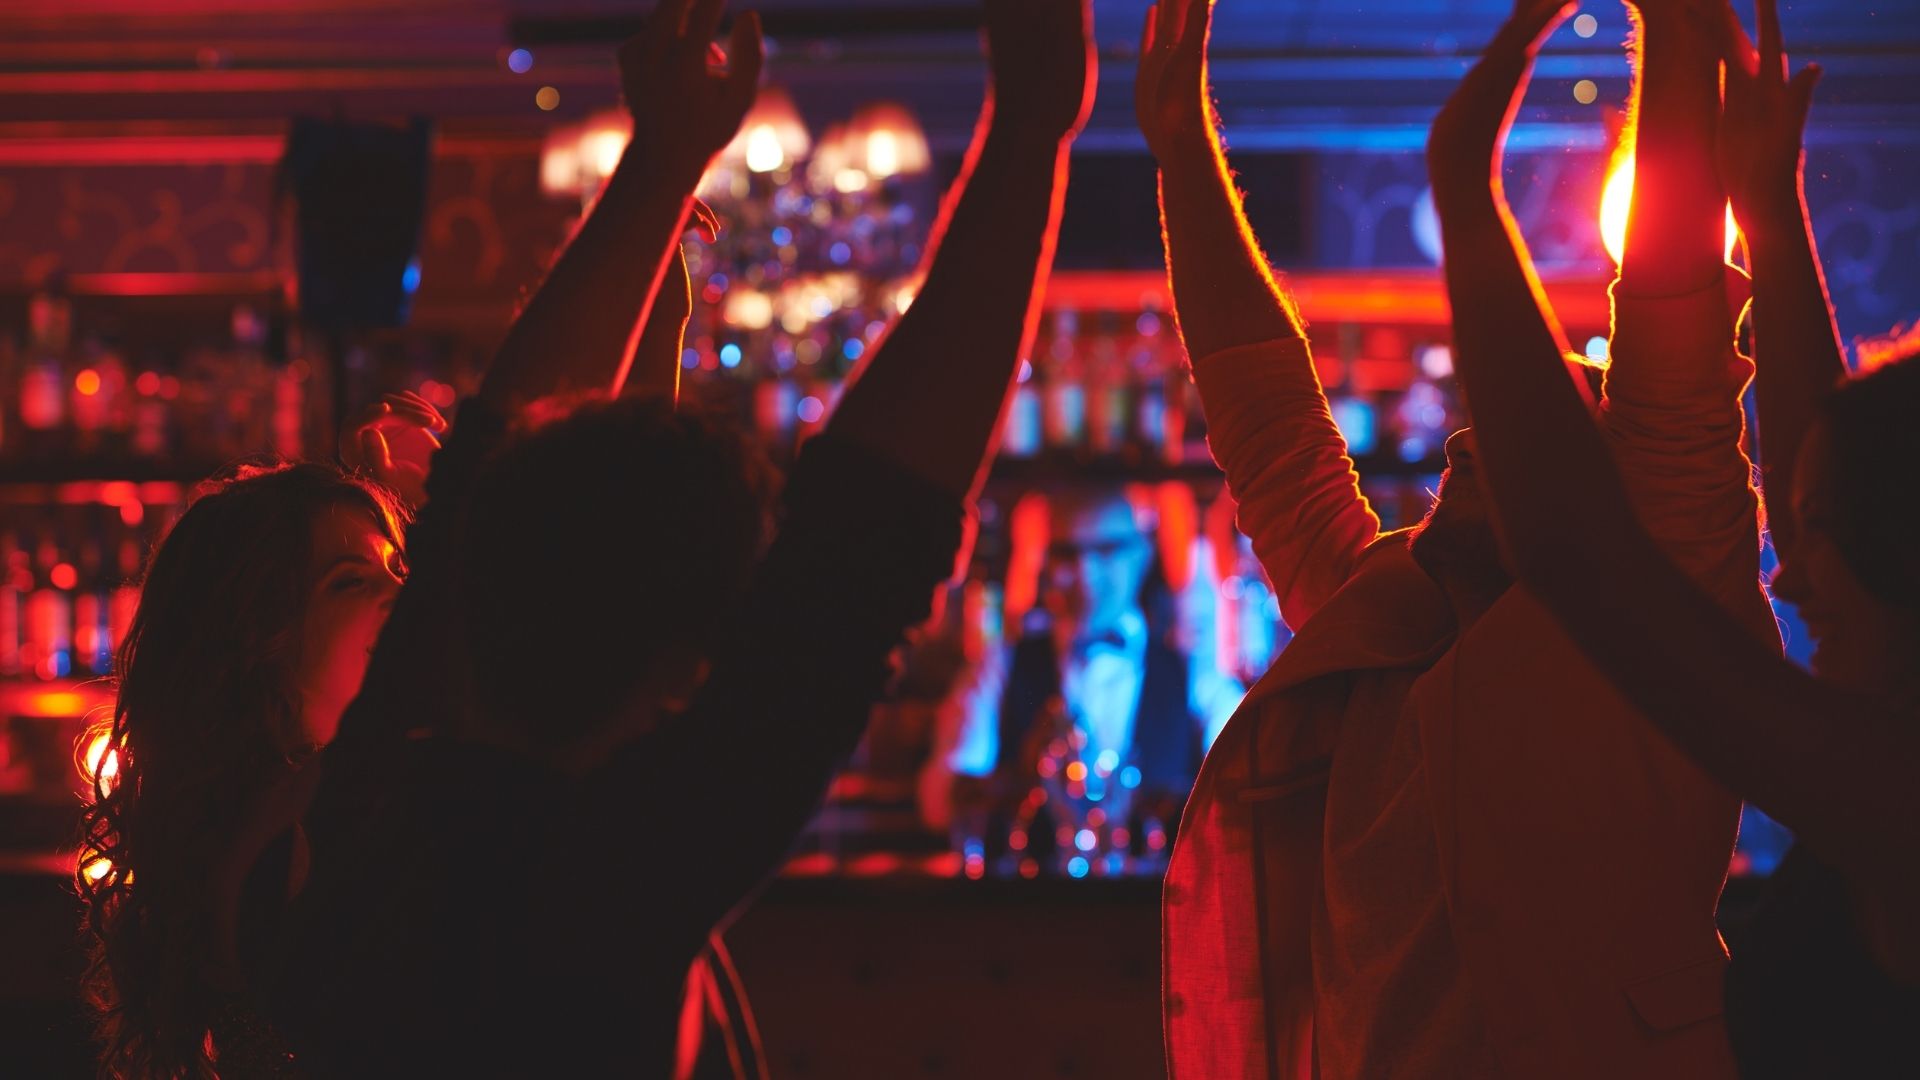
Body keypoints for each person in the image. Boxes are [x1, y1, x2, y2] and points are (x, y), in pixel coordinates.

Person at [253, 1, 1098, 1076]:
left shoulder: (373, 815)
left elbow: (485, 471)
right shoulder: (606, 876)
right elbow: (867, 537)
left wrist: (662, 159)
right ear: (682, 667)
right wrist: (1032, 126)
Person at [1143, 1, 1773, 1076]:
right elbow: (1262, 409)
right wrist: (1178, 143)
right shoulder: (1386, 619)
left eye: (1571, 401)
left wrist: (1671, 28)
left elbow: (1674, 320)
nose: (1471, 438)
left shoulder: (1654, 635)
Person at [1426, 0, 1919, 1076]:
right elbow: (1820, 462)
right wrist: (1769, 213)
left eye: (1826, 540)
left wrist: (1465, 190)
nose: (1791, 578)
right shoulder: (1881, 753)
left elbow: (1577, 553)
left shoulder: (1897, 791)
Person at [72, 389, 443, 1079]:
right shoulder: (297, 821)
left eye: (399, 569)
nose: (402, 594)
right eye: (350, 582)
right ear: (256, 640)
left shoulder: (278, 809)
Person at [919, 484, 1243, 867]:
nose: (1086, 574)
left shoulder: (1193, 671)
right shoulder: (1001, 663)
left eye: (1107, 550)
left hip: (1152, 901)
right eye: (1066, 553)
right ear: (1045, 562)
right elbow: (938, 801)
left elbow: (1245, 783)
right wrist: (1018, 778)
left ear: (1142, 554)